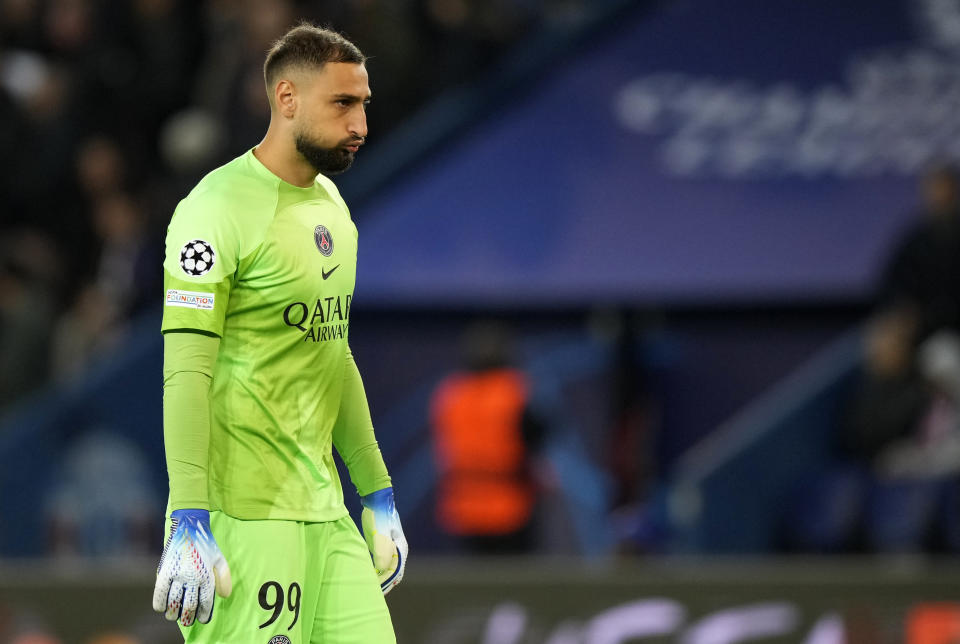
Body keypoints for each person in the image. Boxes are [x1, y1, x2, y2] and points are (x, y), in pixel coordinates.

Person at [151, 23, 407, 643]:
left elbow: (331, 352)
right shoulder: (213, 211)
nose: (360, 126)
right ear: (287, 99)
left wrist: (377, 493)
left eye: (363, 105)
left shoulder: (333, 209)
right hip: (240, 519)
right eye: (342, 104)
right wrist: (188, 513)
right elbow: (186, 372)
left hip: (325, 513)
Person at [430, 320, 546, 553]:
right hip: (510, 507)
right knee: (513, 583)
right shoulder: (513, 390)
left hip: (463, 507)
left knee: (474, 584)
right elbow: (539, 434)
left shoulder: (450, 394)